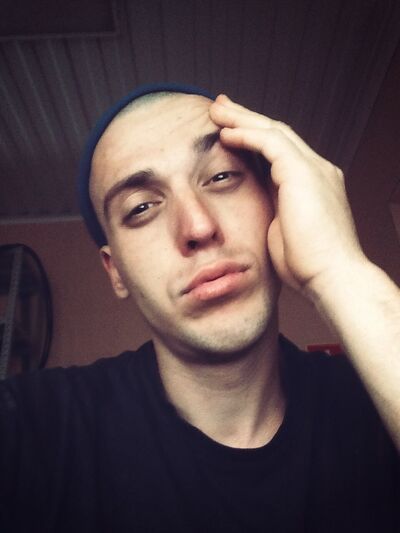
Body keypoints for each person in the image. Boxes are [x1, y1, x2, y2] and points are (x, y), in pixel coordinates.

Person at [1, 83, 399, 532]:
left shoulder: (378, 398)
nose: (198, 226)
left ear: (275, 203)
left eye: (221, 176)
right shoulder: (33, 432)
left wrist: (339, 270)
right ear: (116, 272)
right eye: (141, 207)